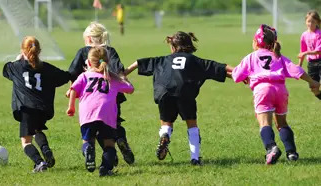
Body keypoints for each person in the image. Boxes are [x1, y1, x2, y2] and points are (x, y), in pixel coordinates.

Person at [124, 31, 233, 165]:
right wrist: (241, 74)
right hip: (185, 93)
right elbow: (221, 68)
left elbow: (138, 63)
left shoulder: (162, 60)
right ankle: (195, 158)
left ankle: (165, 135)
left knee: (166, 122)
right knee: (191, 124)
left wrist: (123, 74)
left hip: (164, 93)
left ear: (173, 47)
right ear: (189, 45)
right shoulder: (196, 61)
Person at [232, 24, 320, 165]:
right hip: (280, 90)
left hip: (262, 90)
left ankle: (271, 148)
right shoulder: (278, 56)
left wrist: (244, 76)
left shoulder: (251, 57)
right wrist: (312, 81)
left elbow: (236, 76)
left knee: (264, 123)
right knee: (282, 123)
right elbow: (296, 70)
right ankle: (291, 153)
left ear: (256, 42)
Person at [67, 22, 135, 165]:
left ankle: (108, 155)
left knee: (95, 127)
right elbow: (119, 70)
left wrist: (71, 88)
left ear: (89, 39)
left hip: (90, 96)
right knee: (113, 124)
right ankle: (121, 140)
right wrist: (124, 80)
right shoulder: (110, 50)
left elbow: (72, 73)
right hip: (111, 94)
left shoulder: (83, 51)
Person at [3, 36, 72, 173]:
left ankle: (39, 162)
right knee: (37, 131)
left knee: (26, 142)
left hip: (27, 109)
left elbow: (6, 70)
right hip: (43, 109)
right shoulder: (47, 68)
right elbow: (65, 76)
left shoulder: (15, 67)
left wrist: (18, 60)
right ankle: (46, 149)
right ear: (39, 51)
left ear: (23, 51)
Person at [298, 10, 321, 99]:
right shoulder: (304, 35)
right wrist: (299, 65)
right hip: (311, 64)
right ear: (305, 22)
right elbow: (302, 52)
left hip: (320, 61)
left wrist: (306, 52)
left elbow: (319, 50)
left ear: (317, 22)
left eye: (313, 22)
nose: (310, 24)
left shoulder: (319, 34)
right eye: (309, 21)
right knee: (313, 88)